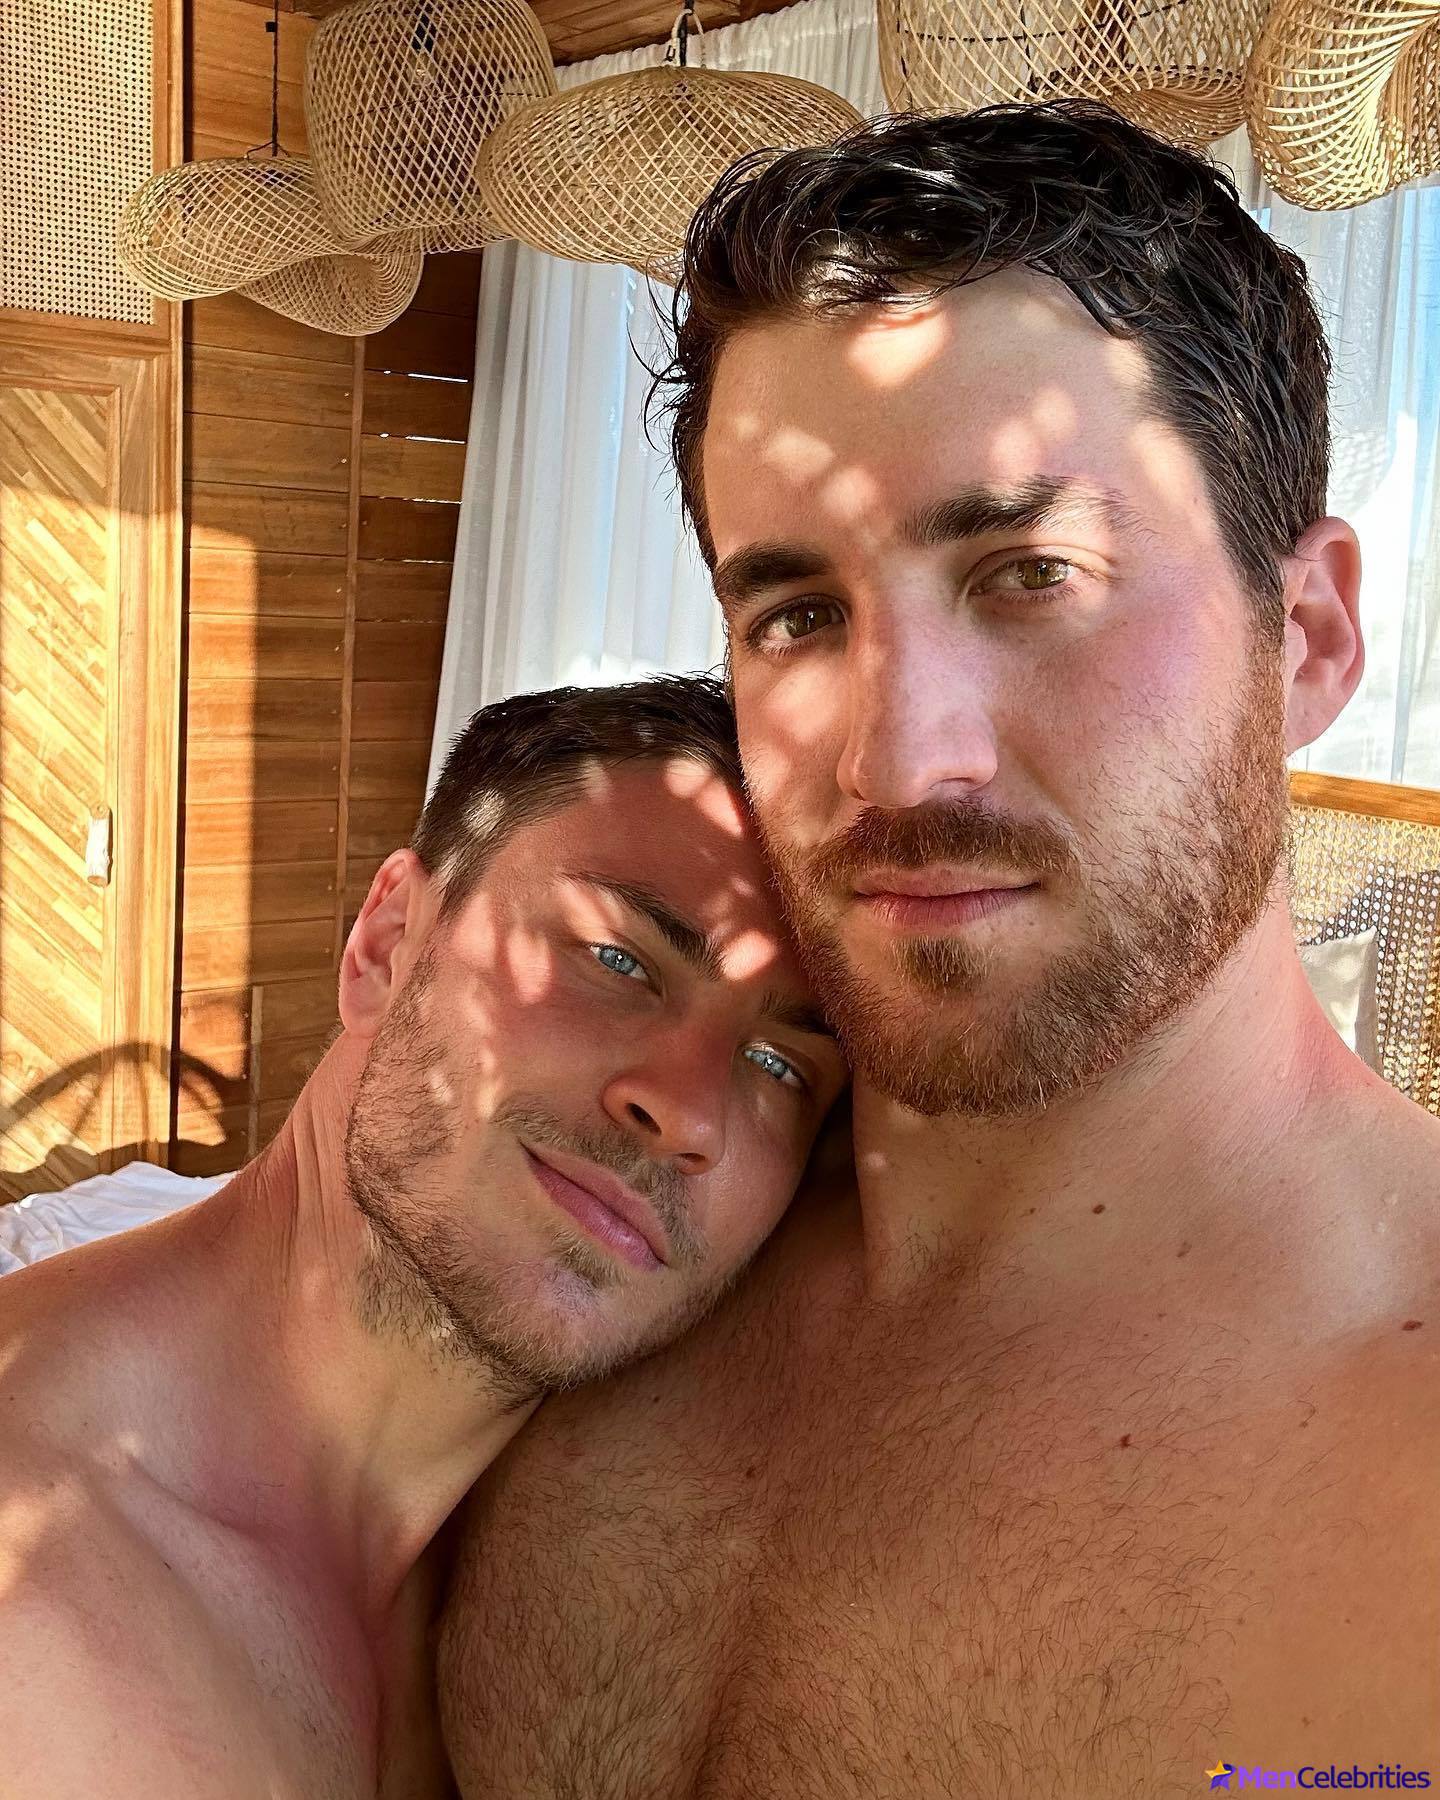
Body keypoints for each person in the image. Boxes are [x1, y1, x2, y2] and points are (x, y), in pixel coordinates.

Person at [438, 102, 1440, 1795]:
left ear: (1314, 637)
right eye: (797, 615)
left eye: (1031, 573)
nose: (900, 765)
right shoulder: (611, 1253)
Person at [0, 676, 846, 1800]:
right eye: (619, 960)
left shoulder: (565, 1586)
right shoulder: (40, 1602)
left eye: (781, 1064)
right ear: (387, 942)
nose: (691, 1114)